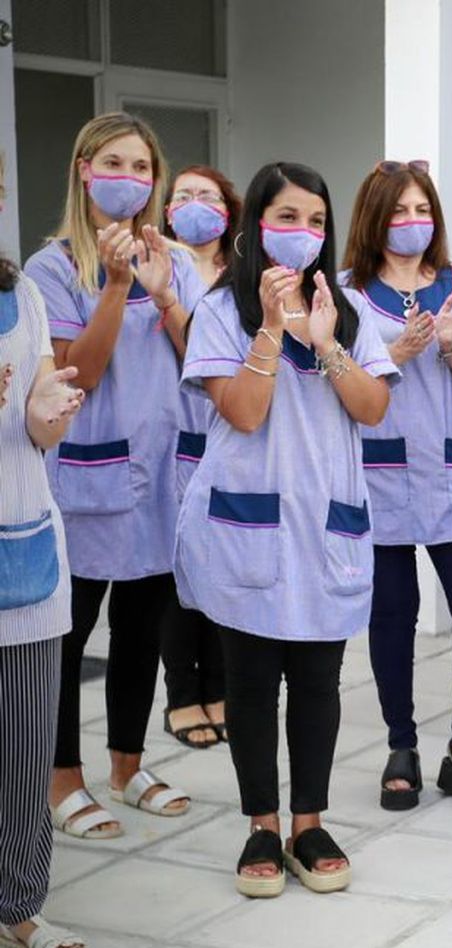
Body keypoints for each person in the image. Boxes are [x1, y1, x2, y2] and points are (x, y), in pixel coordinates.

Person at [175, 161, 397, 897]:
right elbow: (242, 411)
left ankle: (310, 822)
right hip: (252, 522)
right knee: (250, 681)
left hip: (326, 523)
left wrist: (327, 342)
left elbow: (372, 409)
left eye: (314, 220)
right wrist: (271, 330)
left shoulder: (350, 308)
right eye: (287, 218)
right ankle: (261, 825)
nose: (302, 233)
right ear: (256, 227)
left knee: (317, 680)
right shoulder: (220, 311)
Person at [25, 112, 200, 840]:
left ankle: (127, 764)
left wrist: (162, 292)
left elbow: (202, 359)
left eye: (141, 167)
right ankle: (60, 777)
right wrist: (115, 284)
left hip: (161, 474)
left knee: (143, 625)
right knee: (72, 632)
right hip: (91, 476)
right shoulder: (51, 268)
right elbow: (78, 373)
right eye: (115, 164)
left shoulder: (179, 261)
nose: (129, 179)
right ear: (84, 170)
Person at [342, 159, 452, 812]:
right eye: (400, 211)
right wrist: (400, 354)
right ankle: (401, 745)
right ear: (374, 220)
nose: (413, 222)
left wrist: (448, 345)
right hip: (379, 477)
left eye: (422, 210)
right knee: (392, 616)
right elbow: (340, 384)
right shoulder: (348, 291)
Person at [0, 161, 90, 948]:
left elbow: (34, 428)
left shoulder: (22, 296)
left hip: (24, 556)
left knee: (27, 753)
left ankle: (20, 904)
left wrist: (43, 412)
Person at [159, 164, 242, 749]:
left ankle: (219, 686)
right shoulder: (154, 266)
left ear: (228, 211)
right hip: (172, 435)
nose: (194, 205)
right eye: (183, 196)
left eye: (206, 196)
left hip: (229, 431)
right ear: (166, 212)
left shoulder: (241, 276)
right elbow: (194, 350)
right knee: (175, 571)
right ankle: (181, 695)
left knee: (223, 565)